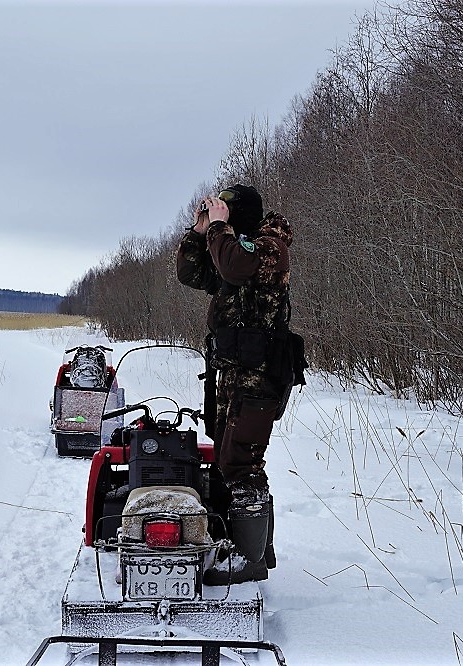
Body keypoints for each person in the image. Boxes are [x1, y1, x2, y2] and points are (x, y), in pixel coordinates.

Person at [176, 184, 299, 584]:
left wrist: (218, 229)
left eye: (224, 212)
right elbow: (191, 273)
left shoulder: (268, 247)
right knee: (230, 454)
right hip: (229, 371)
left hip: (258, 374)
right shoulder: (233, 245)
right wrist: (199, 232)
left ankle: (249, 561)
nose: (218, 219)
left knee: (239, 461)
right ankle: (255, 545)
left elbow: (234, 267)